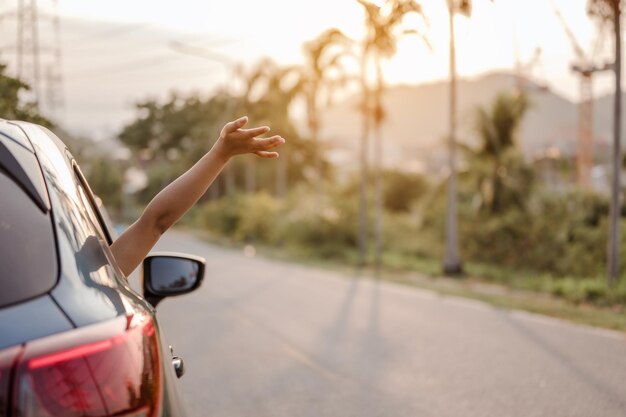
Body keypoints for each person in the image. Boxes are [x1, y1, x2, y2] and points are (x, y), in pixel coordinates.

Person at [109, 116, 285, 276]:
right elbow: (154, 222)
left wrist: (222, 153)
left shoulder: (96, 275)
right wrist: (221, 154)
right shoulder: (98, 276)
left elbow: (155, 222)